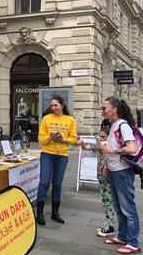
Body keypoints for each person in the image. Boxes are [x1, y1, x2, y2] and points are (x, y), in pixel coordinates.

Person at [99, 97, 141, 254]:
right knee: (118, 207)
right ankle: (122, 236)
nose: (102, 111)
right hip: (114, 171)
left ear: (114, 109)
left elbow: (132, 148)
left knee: (128, 208)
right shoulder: (114, 125)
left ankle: (133, 242)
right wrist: (108, 166)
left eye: (104, 108)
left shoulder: (123, 126)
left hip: (123, 172)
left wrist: (112, 151)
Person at [36, 96, 77, 226]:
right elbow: (41, 139)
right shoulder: (46, 119)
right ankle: (40, 213)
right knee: (44, 182)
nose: (53, 108)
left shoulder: (70, 120)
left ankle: (55, 213)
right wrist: (51, 137)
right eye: (52, 106)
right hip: (47, 153)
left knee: (58, 183)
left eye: (56, 105)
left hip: (62, 155)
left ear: (62, 105)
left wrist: (64, 140)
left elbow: (74, 138)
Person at [78, 126, 116, 237]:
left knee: (108, 201)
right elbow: (86, 148)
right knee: (105, 201)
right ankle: (108, 223)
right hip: (101, 176)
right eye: (99, 136)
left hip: (108, 176)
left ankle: (110, 225)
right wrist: (81, 143)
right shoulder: (100, 145)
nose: (100, 138)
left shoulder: (111, 146)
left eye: (103, 137)